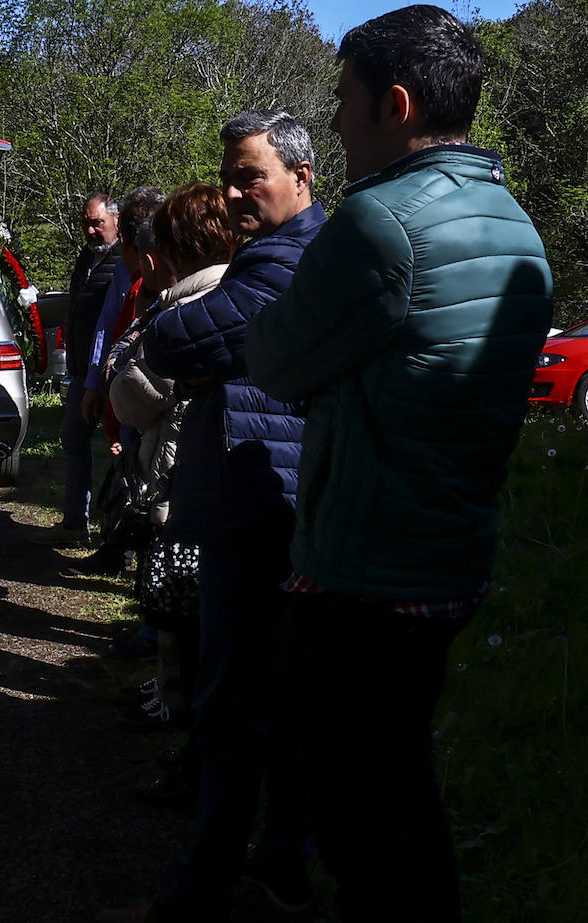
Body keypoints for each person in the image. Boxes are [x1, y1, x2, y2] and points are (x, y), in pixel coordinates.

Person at [246, 7, 553, 919]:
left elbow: (273, 358)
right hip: (450, 556)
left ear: (397, 104)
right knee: (401, 787)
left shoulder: (382, 225)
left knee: (364, 822)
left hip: (363, 571)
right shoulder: (516, 227)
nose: (334, 122)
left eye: (344, 101)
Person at [101, 110, 326, 923]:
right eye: (229, 175)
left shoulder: (286, 259)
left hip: (261, 505)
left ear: (303, 176)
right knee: (259, 697)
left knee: (233, 702)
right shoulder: (268, 254)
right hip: (262, 495)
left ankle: (206, 886)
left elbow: (184, 342)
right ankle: (275, 860)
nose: (235, 191)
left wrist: (159, 328)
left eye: (251, 175)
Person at [112, 183, 238, 750]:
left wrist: (123, 372)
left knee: (178, 596)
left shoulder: (190, 306)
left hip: (178, 468)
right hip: (197, 463)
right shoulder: (239, 288)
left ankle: (177, 707)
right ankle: (172, 694)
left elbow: (139, 398)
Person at [66, 186, 166, 582]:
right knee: (125, 471)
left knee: (146, 479)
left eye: (100, 223)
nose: (93, 231)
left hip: (146, 395)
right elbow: (108, 327)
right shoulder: (103, 267)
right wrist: (95, 381)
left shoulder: (151, 279)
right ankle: (119, 551)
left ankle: (136, 565)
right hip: (115, 386)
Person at [32, 194, 121, 546]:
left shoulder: (125, 264)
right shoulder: (87, 259)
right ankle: (74, 522)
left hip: (113, 373)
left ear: (115, 220)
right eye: (86, 222)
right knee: (73, 441)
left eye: (97, 223)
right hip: (83, 371)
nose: (90, 230)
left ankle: (115, 534)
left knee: (120, 450)